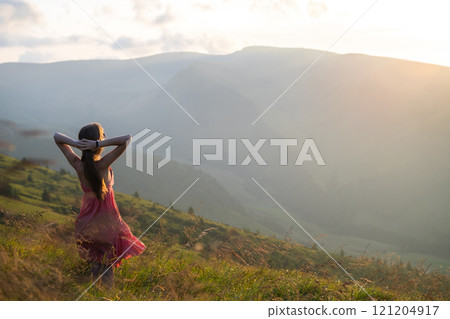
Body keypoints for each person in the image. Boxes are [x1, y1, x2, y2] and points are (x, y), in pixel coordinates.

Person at [53, 122, 145, 286]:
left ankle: (93, 292)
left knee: (94, 263)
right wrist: (98, 144)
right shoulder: (102, 165)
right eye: (102, 136)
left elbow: (57, 137)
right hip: (106, 221)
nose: (104, 138)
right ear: (97, 142)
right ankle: (105, 294)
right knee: (107, 264)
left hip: (86, 220)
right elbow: (127, 139)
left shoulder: (78, 165)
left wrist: (76, 144)